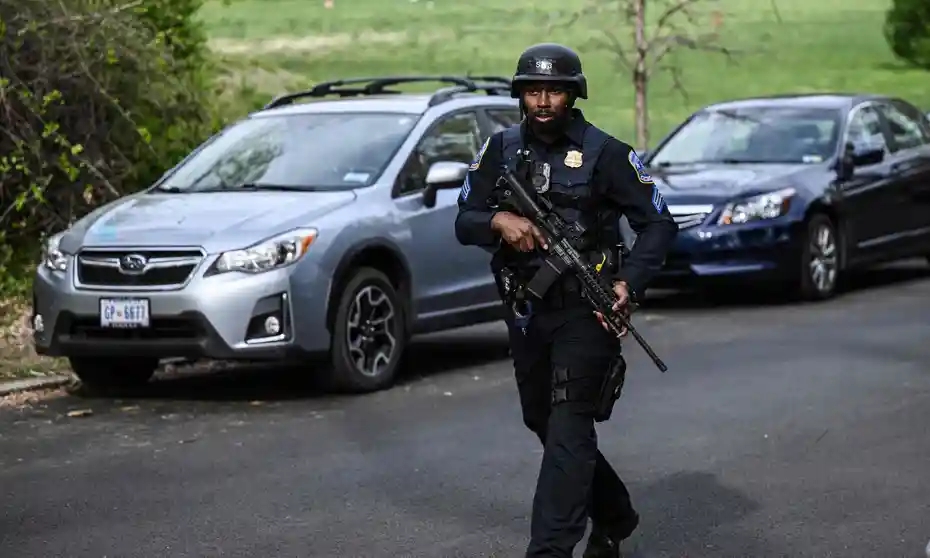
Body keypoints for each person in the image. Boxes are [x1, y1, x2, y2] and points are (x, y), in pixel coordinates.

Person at [454, 43, 679, 558]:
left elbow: (658, 224)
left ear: (573, 94)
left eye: (554, 91)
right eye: (533, 91)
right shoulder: (500, 150)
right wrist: (498, 221)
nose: (543, 101)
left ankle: (550, 549)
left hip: (587, 309)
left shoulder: (608, 153)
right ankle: (614, 514)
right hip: (527, 309)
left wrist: (629, 283)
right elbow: (464, 219)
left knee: (569, 425)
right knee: (542, 418)